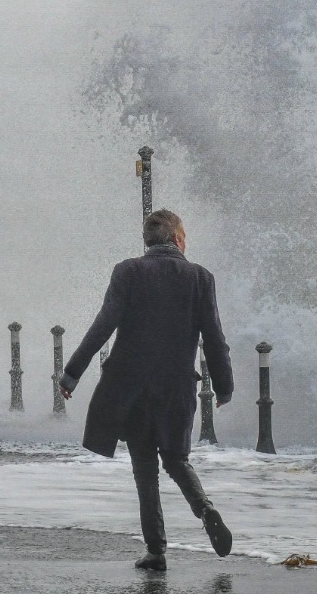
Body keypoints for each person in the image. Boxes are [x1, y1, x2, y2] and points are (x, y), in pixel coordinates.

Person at [60, 209, 234, 570]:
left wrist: (73, 373)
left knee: (144, 466)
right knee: (176, 459)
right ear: (178, 239)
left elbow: (103, 325)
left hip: (134, 389)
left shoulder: (128, 271)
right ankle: (205, 509)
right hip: (177, 388)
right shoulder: (201, 278)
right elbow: (215, 339)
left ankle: (156, 551)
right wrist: (224, 385)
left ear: (148, 241)